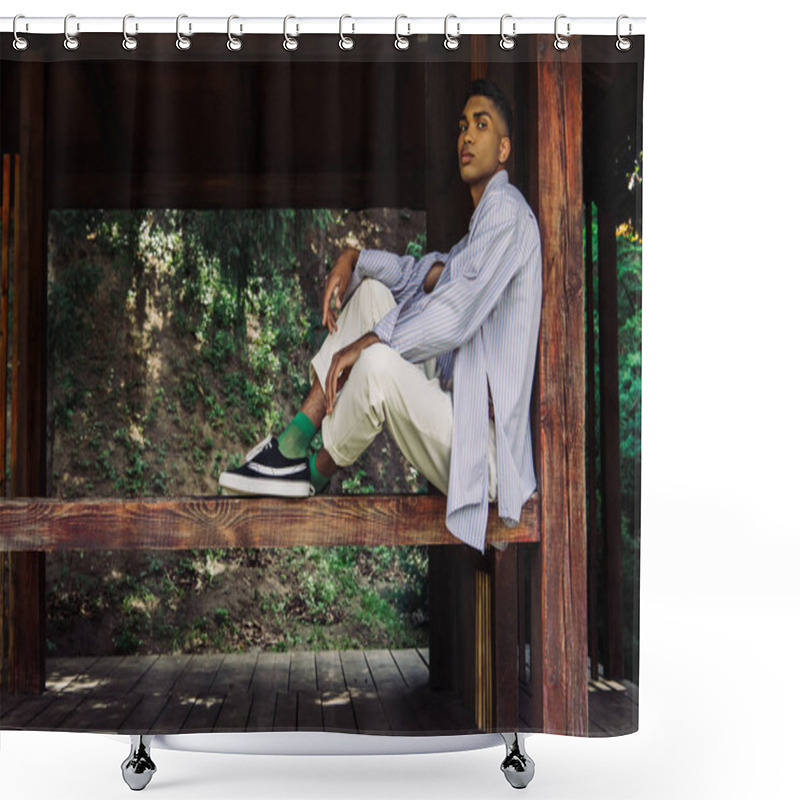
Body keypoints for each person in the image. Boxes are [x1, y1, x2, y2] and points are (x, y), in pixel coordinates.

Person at [219, 78, 542, 552]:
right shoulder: (478, 236)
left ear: (504, 148)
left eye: (481, 124)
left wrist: (365, 344)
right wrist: (354, 257)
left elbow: (453, 313)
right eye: (462, 126)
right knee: (371, 294)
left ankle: (310, 473)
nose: (467, 137)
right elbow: (420, 275)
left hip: (486, 453)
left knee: (376, 363)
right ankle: (292, 442)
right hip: (457, 410)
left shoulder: (507, 215)